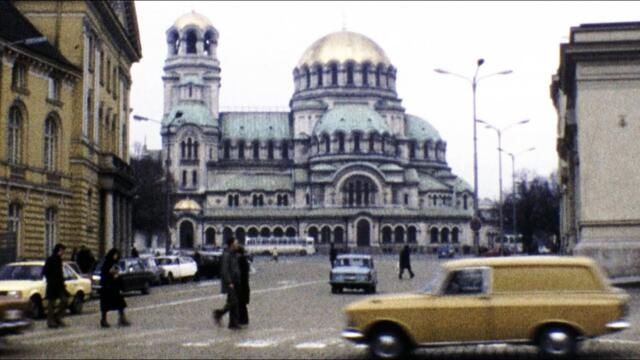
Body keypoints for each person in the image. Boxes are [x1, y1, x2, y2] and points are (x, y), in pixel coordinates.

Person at [213, 237, 241, 330]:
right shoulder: (227, 255)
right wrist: (229, 282)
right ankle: (219, 313)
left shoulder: (233, 254)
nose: (238, 245)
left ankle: (233, 324)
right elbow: (224, 270)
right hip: (230, 282)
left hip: (235, 282)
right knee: (234, 302)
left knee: (234, 303)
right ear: (231, 244)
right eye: (236, 243)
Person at [99, 248, 130, 328]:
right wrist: (111, 274)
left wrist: (118, 279)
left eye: (117, 255)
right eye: (115, 255)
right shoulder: (106, 263)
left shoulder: (115, 263)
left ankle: (122, 318)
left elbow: (117, 274)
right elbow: (104, 274)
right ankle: (103, 320)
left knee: (120, 303)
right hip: (107, 288)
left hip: (114, 288)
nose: (116, 256)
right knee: (105, 306)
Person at [42, 244, 68, 329]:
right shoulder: (50, 259)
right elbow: (45, 271)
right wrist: (50, 279)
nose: (64, 253)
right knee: (51, 303)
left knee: (64, 300)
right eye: (63, 251)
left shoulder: (59, 260)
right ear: (59, 250)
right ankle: (50, 321)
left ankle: (57, 317)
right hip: (52, 284)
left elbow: (60, 273)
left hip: (60, 285)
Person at [237, 245, 251, 326]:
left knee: (241, 304)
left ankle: (242, 320)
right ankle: (244, 320)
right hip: (245, 286)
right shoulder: (244, 260)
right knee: (242, 305)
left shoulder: (241, 261)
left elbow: (241, 275)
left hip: (242, 286)